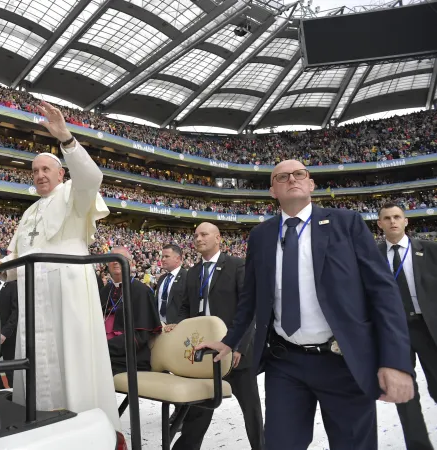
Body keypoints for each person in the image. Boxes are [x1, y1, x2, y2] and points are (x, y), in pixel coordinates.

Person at [195, 160, 414, 450]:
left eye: (300, 174)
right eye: (282, 177)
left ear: (311, 184)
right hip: (285, 362)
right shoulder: (260, 236)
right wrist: (229, 342)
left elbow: (383, 292)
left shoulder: (346, 223)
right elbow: (250, 298)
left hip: (343, 360)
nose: (292, 179)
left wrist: (395, 361)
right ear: (273, 190)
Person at [0, 102, 120, 428]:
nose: (40, 174)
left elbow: (92, 176)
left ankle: (82, 427)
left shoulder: (74, 193)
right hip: (35, 292)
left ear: (61, 173)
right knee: (36, 361)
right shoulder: (29, 212)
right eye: (35, 171)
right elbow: (21, 260)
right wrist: (0, 264)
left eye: (46, 169)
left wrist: (66, 139)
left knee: (71, 359)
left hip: (68, 286)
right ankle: (40, 425)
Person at [169, 222, 263, 450]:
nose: (198, 238)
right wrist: (178, 327)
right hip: (204, 354)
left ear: (218, 237)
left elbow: (249, 310)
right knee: (198, 411)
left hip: (236, 352)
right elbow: (185, 308)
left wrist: (237, 345)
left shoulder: (237, 266)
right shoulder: (192, 273)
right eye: (195, 235)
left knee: (251, 412)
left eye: (204, 234)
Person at [377, 202, 437, 450]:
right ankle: (419, 446)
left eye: (397, 216)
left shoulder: (431, 251)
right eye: (387, 218)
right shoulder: (372, 256)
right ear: (379, 223)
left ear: (406, 221)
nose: (393, 221)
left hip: (427, 327)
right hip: (393, 333)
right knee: (404, 394)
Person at [100, 247, 160, 375]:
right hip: (102, 353)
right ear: (107, 264)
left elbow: (141, 337)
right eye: (112, 259)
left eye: (121, 259)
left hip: (128, 358)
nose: (116, 262)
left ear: (131, 264)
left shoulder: (142, 291)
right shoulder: (105, 291)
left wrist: (104, 347)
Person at [0, 279, 18, 389]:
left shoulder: (13, 285)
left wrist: (5, 333)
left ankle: (12, 396)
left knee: (10, 368)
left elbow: (15, 311)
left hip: (9, 336)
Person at [155, 244, 187, 325]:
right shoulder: (162, 278)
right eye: (162, 256)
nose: (163, 259)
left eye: (167, 256)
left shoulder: (187, 277)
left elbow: (188, 306)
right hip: (160, 326)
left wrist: (177, 323)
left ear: (178, 258)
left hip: (178, 327)